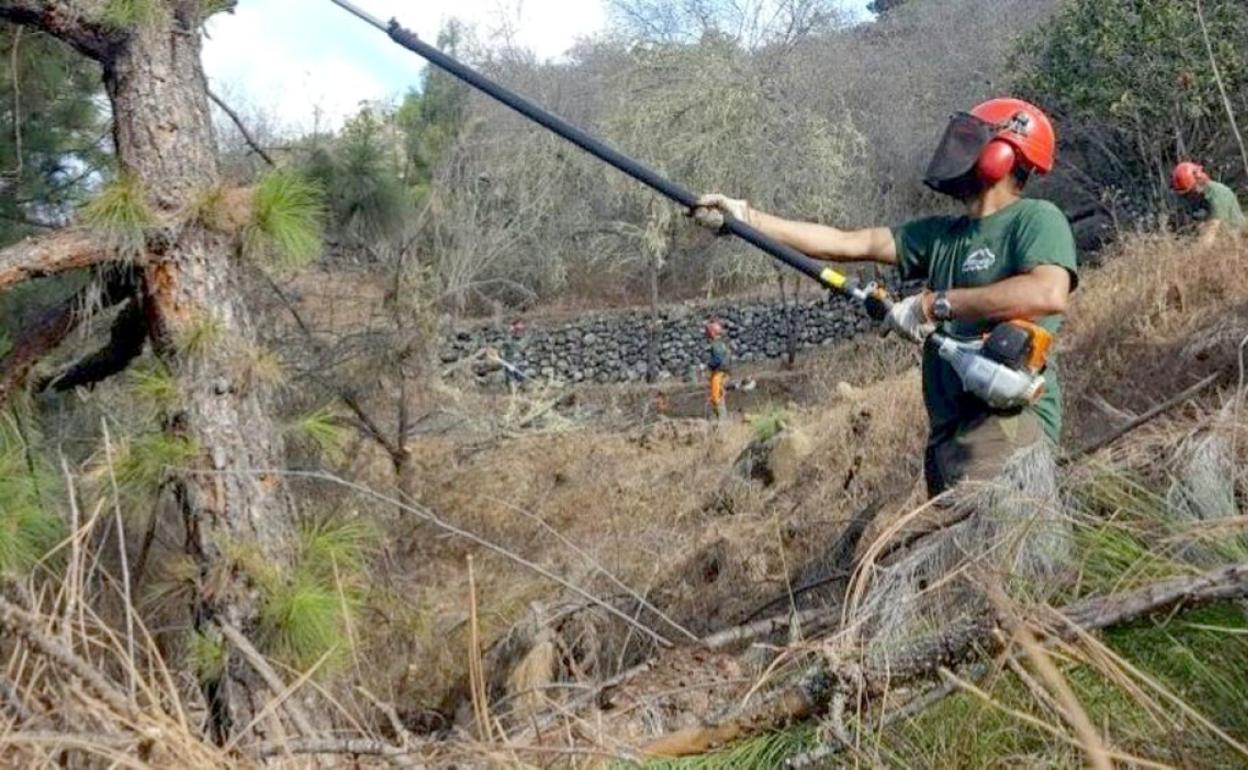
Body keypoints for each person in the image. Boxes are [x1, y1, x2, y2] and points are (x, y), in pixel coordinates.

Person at [693, 98, 1078, 497]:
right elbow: (846, 242)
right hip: (948, 434)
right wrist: (745, 220)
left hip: (1005, 424)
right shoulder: (941, 234)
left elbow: (1047, 291)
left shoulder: (1035, 218)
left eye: (969, 140)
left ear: (1002, 153)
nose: (957, 151)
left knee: (996, 553)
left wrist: (933, 305)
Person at [1172, 161, 1245, 246]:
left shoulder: (1218, 193)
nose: (1188, 196)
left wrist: (1196, 256)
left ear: (1198, 180)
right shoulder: (1197, 198)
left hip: (1235, 243)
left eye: (1190, 192)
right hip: (1218, 245)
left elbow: (1212, 230)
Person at [705, 319, 730, 421]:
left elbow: (718, 360)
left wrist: (709, 364)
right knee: (718, 397)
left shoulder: (716, 345)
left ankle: (721, 422)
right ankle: (719, 420)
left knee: (716, 398)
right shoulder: (722, 344)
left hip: (718, 374)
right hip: (723, 373)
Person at [499, 318, 528, 389]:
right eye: (517, 329)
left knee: (522, 380)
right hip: (510, 364)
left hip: (521, 365)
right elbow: (501, 347)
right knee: (511, 382)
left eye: (521, 329)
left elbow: (524, 350)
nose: (519, 332)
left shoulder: (525, 339)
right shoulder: (508, 340)